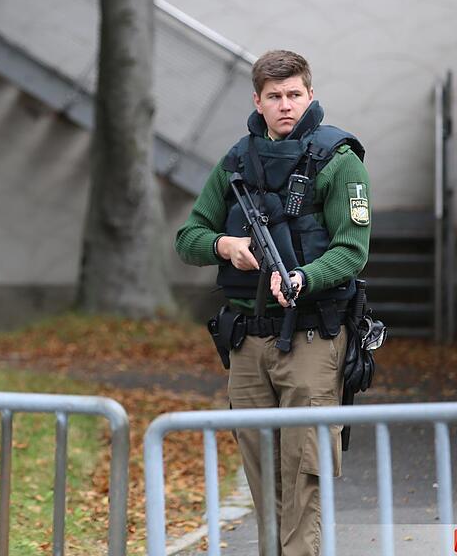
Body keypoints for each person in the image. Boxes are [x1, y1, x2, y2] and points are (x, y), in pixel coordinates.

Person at [174, 50, 370, 556]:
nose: (286, 105)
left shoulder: (339, 161)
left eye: (295, 95)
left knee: (305, 468)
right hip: (247, 337)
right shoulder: (237, 160)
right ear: (257, 101)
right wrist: (225, 246)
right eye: (275, 96)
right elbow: (188, 234)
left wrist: (305, 277)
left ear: (310, 95)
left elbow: (352, 250)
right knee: (261, 469)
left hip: (311, 334)